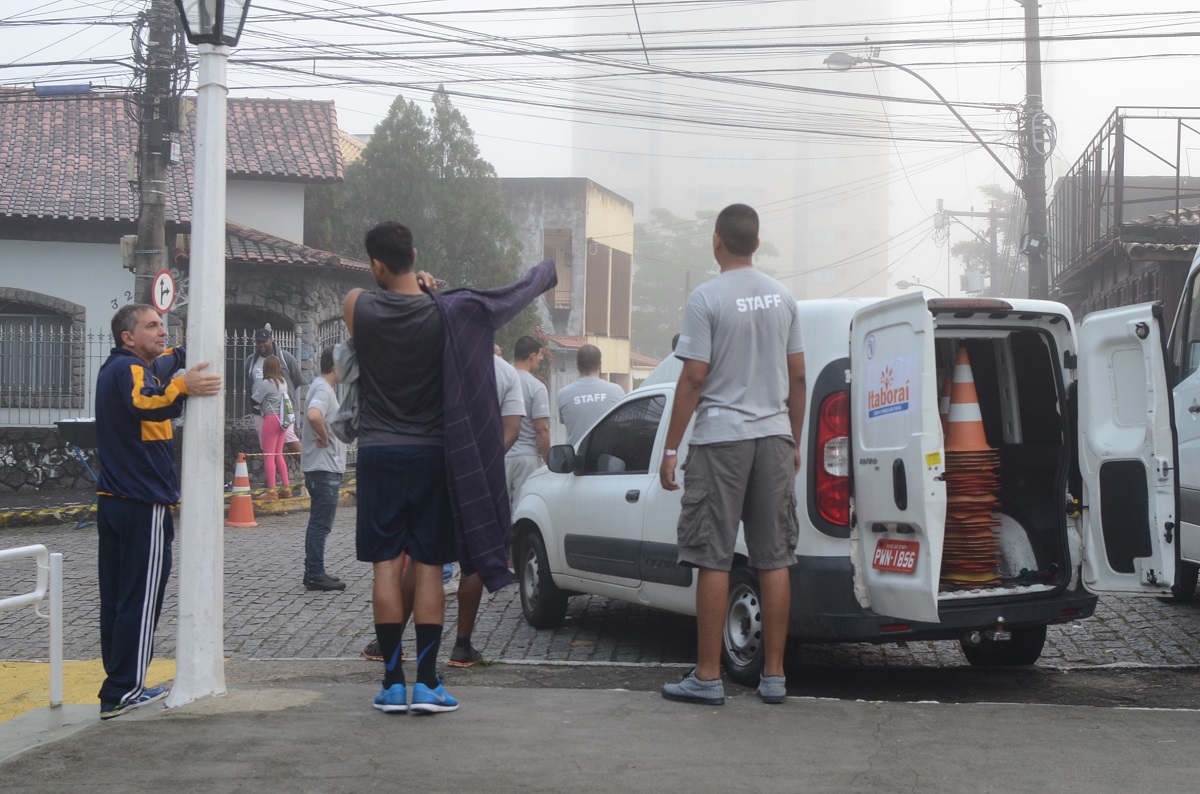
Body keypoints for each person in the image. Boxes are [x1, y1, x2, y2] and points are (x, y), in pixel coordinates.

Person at [346, 221, 555, 715]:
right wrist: (430, 289)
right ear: (415, 255)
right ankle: (431, 683)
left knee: (384, 566)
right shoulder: (445, 315)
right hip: (432, 455)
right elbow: (495, 303)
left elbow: (365, 298)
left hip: (378, 454)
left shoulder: (357, 305)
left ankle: (393, 684)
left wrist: (412, 284)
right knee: (428, 568)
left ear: (376, 264)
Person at [658, 203, 806, 707]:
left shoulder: (705, 299)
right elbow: (800, 377)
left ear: (716, 241)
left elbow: (694, 378)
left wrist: (672, 447)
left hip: (720, 438)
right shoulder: (784, 297)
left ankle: (706, 676)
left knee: (713, 557)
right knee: (774, 558)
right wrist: (796, 440)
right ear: (756, 243)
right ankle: (775, 677)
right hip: (773, 437)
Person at [94, 303, 222, 719]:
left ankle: (117, 684)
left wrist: (188, 351)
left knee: (117, 599)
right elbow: (145, 402)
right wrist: (184, 387)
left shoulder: (133, 366)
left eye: (162, 325)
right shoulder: (129, 371)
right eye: (151, 326)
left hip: (118, 502)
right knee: (139, 599)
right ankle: (124, 689)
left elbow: (165, 365)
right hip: (141, 502)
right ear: (127, 337)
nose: (161, 331)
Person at [301, 344, 347, 592]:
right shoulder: (324, 389)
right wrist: (326, 438)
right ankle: (315, 573)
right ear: (334, 366)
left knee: (318, 523)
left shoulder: (322, 387)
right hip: (324, 468)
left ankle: (313, 571)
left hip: (323, 467)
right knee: (320, 524)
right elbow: (313, 415)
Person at [245, 325, 303, 470]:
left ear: (271, 339)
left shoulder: (284, 357)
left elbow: (297, 379)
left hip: (281, 410)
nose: (261, 345)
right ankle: (275, 481)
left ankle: (310, 469)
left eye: (264, 341)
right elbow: (248, 383)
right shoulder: (251, 361)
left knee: (291, 441)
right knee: (269, 448)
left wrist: (281, 394)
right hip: (260, 411)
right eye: (258, 342)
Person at [504, 335, 550, 511]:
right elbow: (541, 430)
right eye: (540, 354)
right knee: (523, 510)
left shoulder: (501, 379)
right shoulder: (536, 387)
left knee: (499, 510)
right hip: (527, 459)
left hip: (501, 454)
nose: (541, 358)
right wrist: (548, 461)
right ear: (531, 355)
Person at [556, 343, 625, 446]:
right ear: (600, 364)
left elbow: (566, 422)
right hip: (607, 459)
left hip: (577, 459)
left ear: (577, 365)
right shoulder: (617, 391)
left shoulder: (563, 394)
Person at [250, 355, 294, 499]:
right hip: (283, 421)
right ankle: (287, 487)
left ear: (266, 368)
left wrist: (259, 409)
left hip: (270, 419)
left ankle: (272, 490)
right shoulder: (283, 382)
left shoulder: (267, 383)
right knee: (279, 454)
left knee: (268, 456)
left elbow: (254, 400)